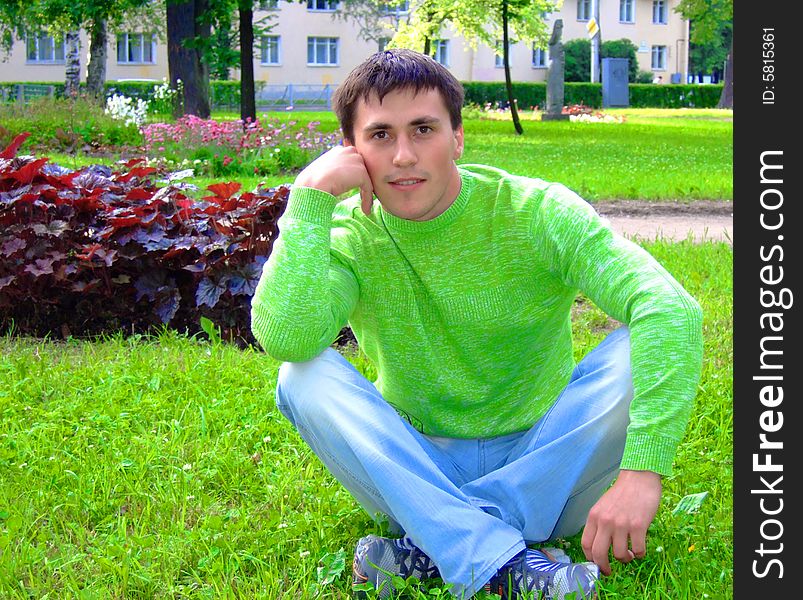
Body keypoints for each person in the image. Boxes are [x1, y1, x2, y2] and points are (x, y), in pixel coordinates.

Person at [251, 49, 703, 599]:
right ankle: (507, 562)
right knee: (302, 376)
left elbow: (670, 307)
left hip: (551, 463)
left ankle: (439, 542)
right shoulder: (350, 235)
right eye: (380, 135)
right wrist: (308, 202)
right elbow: (286, 338)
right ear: (351, 150)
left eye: (423, 129)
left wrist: (641, 473)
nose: (402, 155)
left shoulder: (535, 211)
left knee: (643, 339)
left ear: (458, 138)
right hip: (420, 468)